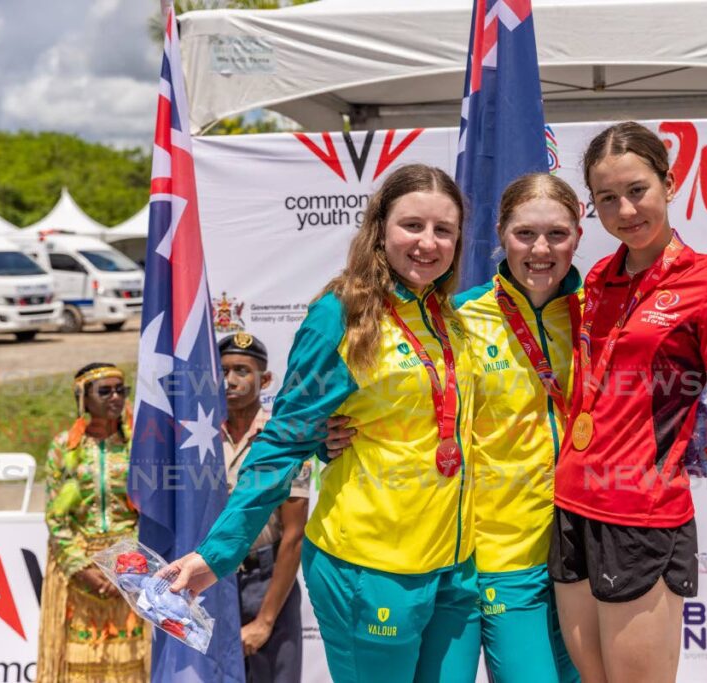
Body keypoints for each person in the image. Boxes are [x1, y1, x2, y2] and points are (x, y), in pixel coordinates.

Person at [166, 164, 480, 683]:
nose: (428, 242)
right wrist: (216, 554)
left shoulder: (449, 317)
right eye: (412, 226)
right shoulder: (341, 315)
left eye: (443, 230)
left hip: (455, 568)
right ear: (379, 228)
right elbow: (282, 441)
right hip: (370, 568)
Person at [548, 121, 707, 683]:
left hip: (644, 516)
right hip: (571, 507)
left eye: (637, 190)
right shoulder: (591, 283)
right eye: (606, 199)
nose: (625, 211)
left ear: (670, 182)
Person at [453, 173, 582, 682]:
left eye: (557, 234)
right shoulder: (463, 318)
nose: (541, 249)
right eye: (525, 234)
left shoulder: (598, 314)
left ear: (578, 235)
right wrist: (333, 433)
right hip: (505, 551)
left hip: (587, 545)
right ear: (501, 234)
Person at [37, 363, 150, 682]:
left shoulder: (138, 448)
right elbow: (56, 516)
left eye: (121, 390)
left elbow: (150, 512)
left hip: (128, 568)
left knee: (130, 660)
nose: (115, 397)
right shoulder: (64, 447)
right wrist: (82, 568)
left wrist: (124, 567)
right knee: (78, 661)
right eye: (105, 391)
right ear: (82, 399)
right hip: (79, 571)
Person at [219, 332, 309, 682]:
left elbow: (294, 536)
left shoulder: (282, 438)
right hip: (213, 583)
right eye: (223, 370)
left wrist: (265, 620)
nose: (230, 380)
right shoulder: (198, 437)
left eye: (242, 370)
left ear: (266, 379)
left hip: (268, 583)